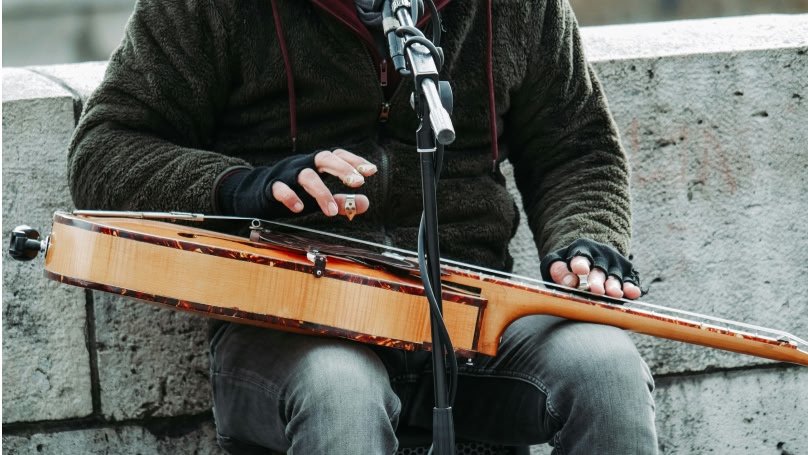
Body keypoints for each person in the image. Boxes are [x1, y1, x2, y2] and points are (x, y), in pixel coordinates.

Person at [67, 0, 657, 453]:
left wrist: (588, 237)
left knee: (606, 371)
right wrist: (244, 187)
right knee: (339, 392)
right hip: (290, 320)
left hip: (472, 314)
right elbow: (106, 148)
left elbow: (577, 146)